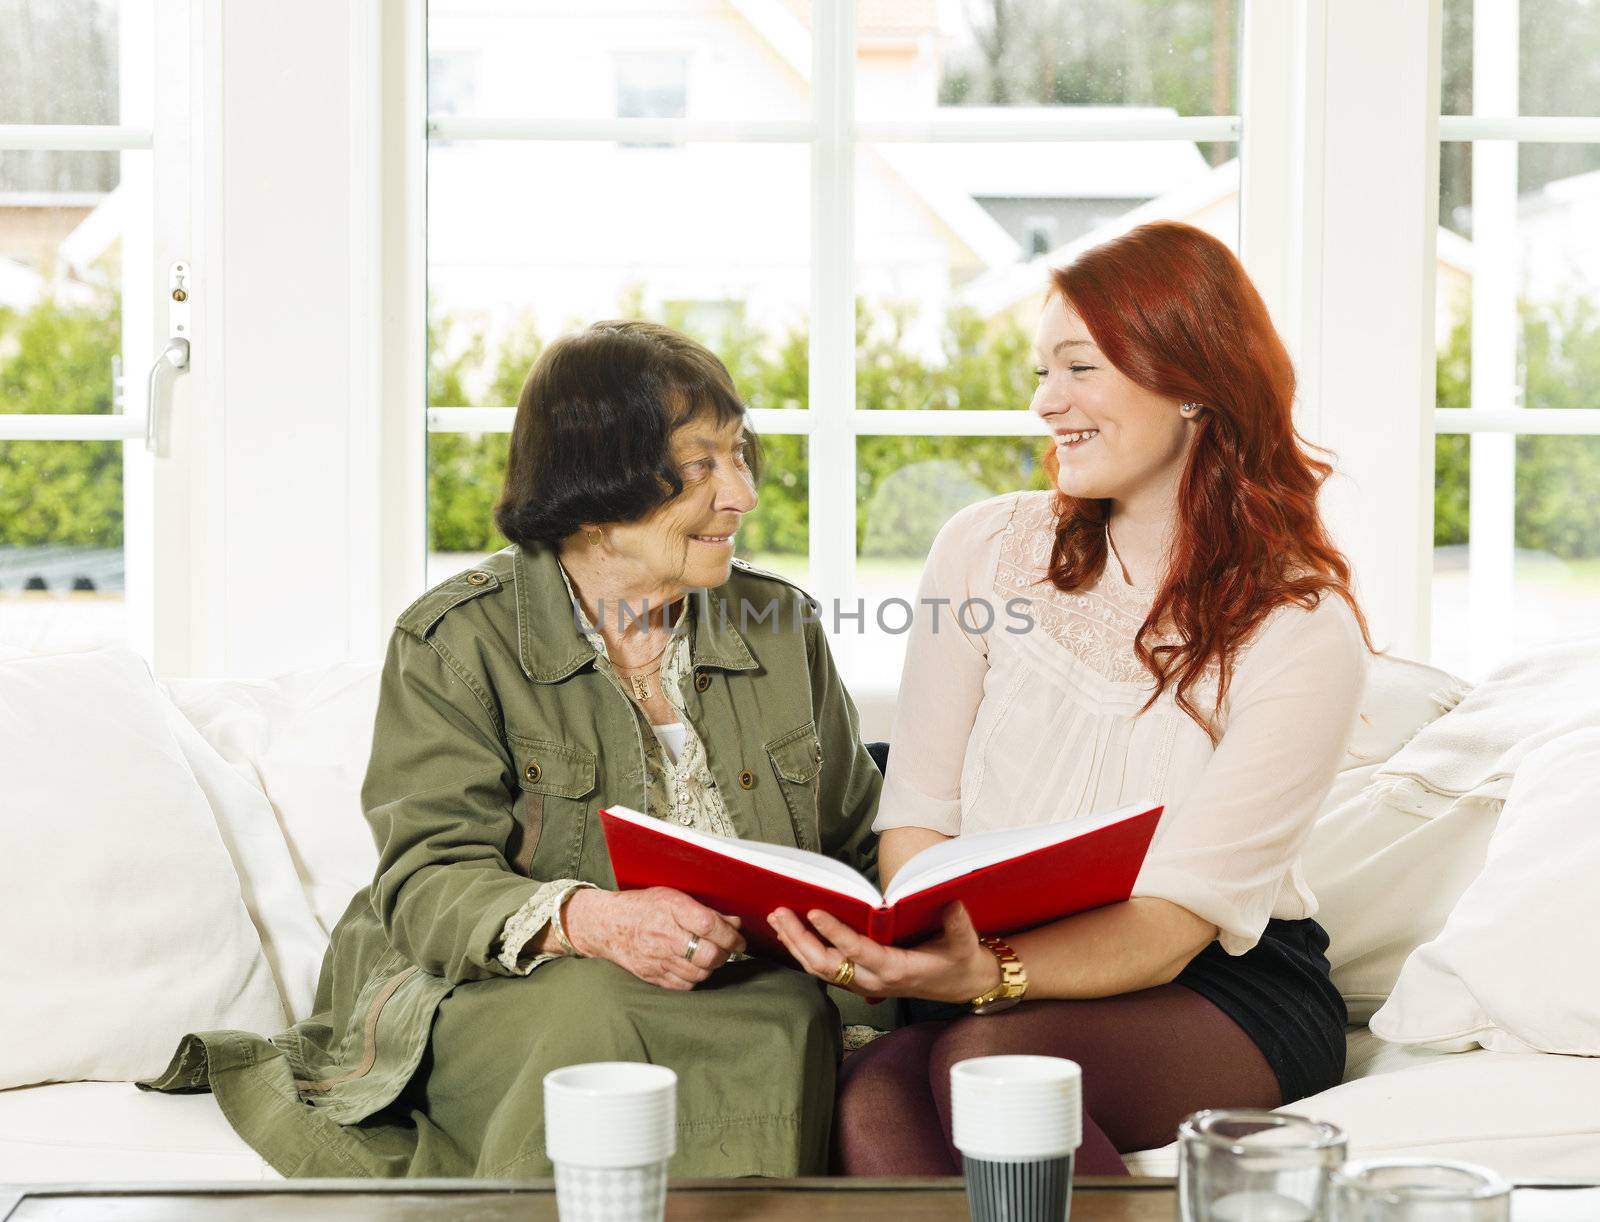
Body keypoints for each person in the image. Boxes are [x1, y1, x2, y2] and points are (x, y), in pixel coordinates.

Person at [143, 320, 884, 1178]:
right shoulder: (455, 639)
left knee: (791, 1010)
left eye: (741, 455)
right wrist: (592, 920)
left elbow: (858, 843)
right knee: (598, 1014)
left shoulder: (780, 625)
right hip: (502, 986)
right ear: (598, 483)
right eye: (701, 465)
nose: (743, 494)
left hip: (753, 992)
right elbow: (425, 883)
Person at [767, 221, 1375, 1175]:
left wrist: (989, 977)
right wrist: (923, 945)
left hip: (1213, 988)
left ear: (1191, 383)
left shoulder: (1300, 625)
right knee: (873, 1097)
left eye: (1078, 367)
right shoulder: (983, 548)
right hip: (981, 962)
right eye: (1041, 372)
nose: (1047, 403)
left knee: (997, 1064)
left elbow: (1173, 926)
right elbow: (920, 811)